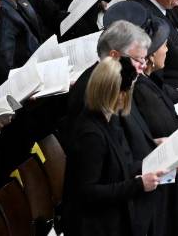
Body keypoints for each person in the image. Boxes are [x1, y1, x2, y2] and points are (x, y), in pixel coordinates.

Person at [61, 56, 166, 235]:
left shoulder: (108, 120)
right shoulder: (91, 135)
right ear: (116, 94)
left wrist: (156, 158)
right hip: (96, 226)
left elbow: (120, 165)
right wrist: (139, 185)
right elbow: (88, 192)